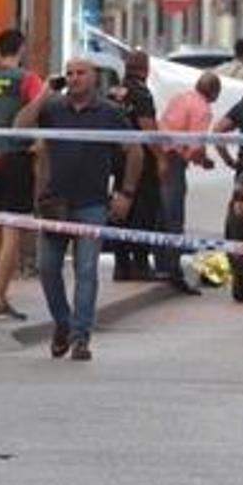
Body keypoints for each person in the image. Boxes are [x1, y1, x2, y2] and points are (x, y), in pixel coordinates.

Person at [33, 58, 144, 361]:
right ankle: (63, 323)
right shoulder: (53, 109)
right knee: (47, 268)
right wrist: (44, 92)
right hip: (55, 203)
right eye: (69, 73)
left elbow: (135, 151)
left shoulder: (109, 112)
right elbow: (19, 126)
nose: (74, 78)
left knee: (86, 271)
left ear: (94, 78)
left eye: (81, 73)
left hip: (92, 204)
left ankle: (80, 337)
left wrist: (126, 193)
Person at [0, 28, 44, 321]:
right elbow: (41, 110)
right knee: (12, 230)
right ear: (22, 48)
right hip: (16, 157)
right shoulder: (26, 79)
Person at [156, 71, 221, 294]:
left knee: (161, 216)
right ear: (213, 92)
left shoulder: (180, 98)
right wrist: (204, 162)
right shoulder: (202, 109)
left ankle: (161, 266)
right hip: (174, 163)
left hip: (158, 156)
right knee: (174, 217)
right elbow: (195, 147)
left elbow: (163, 124)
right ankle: (173, 272)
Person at [107, 51, 163, 282]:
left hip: (115, 158)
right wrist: (162, 158)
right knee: (144, 211)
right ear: (145, 69)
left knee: (120, 210)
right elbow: (148, 129)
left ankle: (121, 264)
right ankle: (140, 263)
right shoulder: (141, 93)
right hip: (141, 163)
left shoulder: (113, 92)